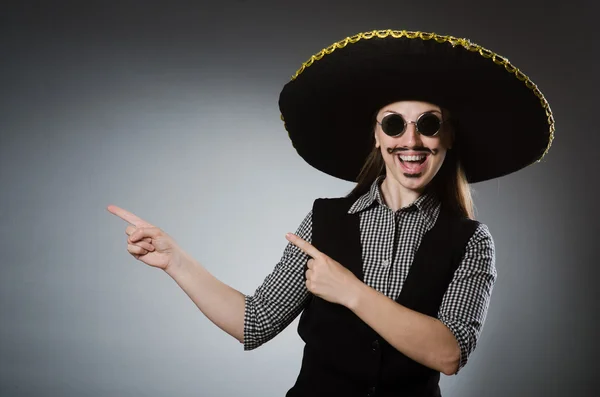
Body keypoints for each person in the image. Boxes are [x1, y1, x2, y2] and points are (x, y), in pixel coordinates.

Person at [108, 29, 554, 397]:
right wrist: (175, 261)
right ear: (378, 137)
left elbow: (449, 353)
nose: (411, 140)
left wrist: (349, 290)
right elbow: (255, 323)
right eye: (394, 123)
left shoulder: (472, 241)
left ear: (449, 138)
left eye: (430, 123)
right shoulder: (325, 221)